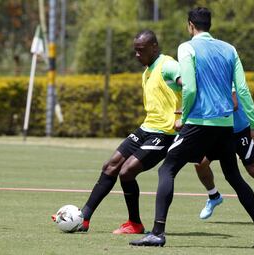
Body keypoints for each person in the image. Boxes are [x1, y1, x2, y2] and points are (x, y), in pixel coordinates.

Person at [130, 7, 254, 248]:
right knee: (235, 177)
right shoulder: (230, 49)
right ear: (210, 25)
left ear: (190, 25)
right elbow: (243, 90)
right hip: (225, 125)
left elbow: (191, 88)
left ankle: (157, 232)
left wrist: (184, 116)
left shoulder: (187, 48)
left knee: (167, 170)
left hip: (199, 123)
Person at [51, 30, 183, 234]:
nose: (137, 55)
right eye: (135, 51)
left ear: (154, 47)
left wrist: (184, 114)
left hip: (165, 133)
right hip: (147, 128)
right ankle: (84, 218)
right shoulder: (148, 71)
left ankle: (135, 224)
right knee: (110, 165)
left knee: (127, 171)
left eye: (141, 50)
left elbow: (191, 84)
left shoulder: (168, 65)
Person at [195, 92, 254, 227]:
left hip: (240, 131)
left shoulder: (229, 74)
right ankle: (214, 196)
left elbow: (234, 104)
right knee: (200, 163)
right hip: (219, 131)